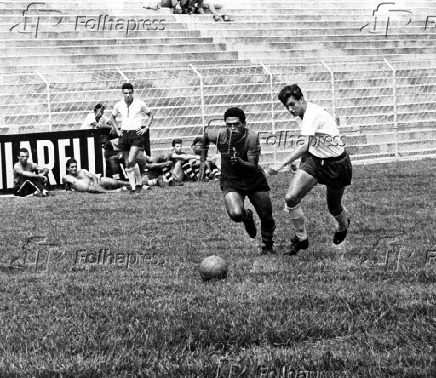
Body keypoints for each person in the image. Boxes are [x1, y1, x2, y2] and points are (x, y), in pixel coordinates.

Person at [268, 84, 352, 255]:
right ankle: (301, 239)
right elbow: (311, 144)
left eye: (292, 104)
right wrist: (299, 163)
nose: (290, 109)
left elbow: (304, 145)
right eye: (287, 106)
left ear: (302, 100)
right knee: (291, 198)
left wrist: (282, 163)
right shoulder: (301, 113)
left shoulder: (312, 114)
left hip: (336, 164)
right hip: (314, 160)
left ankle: (343, 226)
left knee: (334, 208)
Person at [199, 107, 276, 253]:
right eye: (229, 125)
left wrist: (239, 161)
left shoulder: (251, 137)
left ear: (244, 123)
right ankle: (247, 216)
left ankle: (267, 245)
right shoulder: (220, 135)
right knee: (235, 214)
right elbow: (205, 135)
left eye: (236, 124)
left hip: (253, 179)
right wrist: (202, 160)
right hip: (231, 180)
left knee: (266, 215)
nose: (232, 128)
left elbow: (253, 165)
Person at [111, 83, 153, 194]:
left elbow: (150, 115)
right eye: (125, 93)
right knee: (127, 164)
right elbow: (113, 118)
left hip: (136, 134)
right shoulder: (119, 105)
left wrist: (146, 128)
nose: (128, 95)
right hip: (124, 135)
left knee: (131, 160)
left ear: (133, 92)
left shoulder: (139, 103)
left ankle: (139, 183)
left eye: (130, 93)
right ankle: (134, 187)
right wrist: (118, 129)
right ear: (122, 93)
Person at [62, 158, 132, 193]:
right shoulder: (67, 177)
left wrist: (96, 184)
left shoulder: (82, 171)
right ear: (67, 168)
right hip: (91, 187)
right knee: (96, 189)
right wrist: (68, 189)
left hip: (97, 181)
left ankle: (135, 184)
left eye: (75, 166)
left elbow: (93, 176)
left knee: (117, 182)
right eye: (72, 167)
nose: (74, 168)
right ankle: (115, 191)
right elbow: (66, 183)